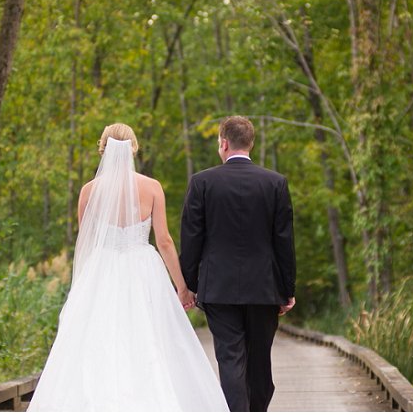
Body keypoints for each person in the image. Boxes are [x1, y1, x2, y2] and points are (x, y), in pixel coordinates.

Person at [29, 123, 228, 411]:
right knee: (151, 336)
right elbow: (165, 241)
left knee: (100, 338)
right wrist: (182, 286)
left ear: (103, 149)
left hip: (101, 269)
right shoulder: (152, 187)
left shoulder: (88, 192)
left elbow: (85, 243)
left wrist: (82, 286)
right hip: (142, 269)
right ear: (133, 148)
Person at [181, 116, 295, 412]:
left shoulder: (202, 182)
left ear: (223, 143)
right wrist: (287, 288)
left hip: (218, 288)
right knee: (259, 360)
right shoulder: (275, 183)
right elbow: (284, 241)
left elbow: (192, 238)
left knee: (230, 359)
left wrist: (188, 285)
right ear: (251, 143)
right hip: (264, 288)